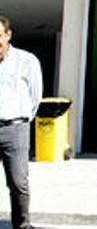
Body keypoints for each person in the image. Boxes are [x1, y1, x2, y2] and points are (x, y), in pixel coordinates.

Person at [0, 15, 42, 229]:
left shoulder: (27, 61)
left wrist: (22, 120)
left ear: (8, 35)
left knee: (18, 182)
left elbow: (36, 97)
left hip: (15, 128)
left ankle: (22, 224)